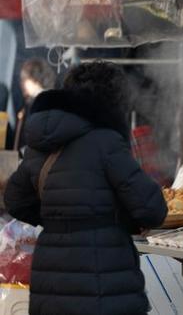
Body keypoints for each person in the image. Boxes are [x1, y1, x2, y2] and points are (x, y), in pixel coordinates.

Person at [4, 62, 168, 315]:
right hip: (104, 286)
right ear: (114, 101)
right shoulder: (107, 142)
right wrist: (113, 219)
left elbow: (14, 199)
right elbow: (152, 209)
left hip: (51, 285)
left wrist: (59, 217)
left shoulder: (41, 146)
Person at [14, 58, 57, 152]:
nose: (22, 84)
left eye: (25, 80)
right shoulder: (28, 104)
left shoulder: (46, 104)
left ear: (35, 79)